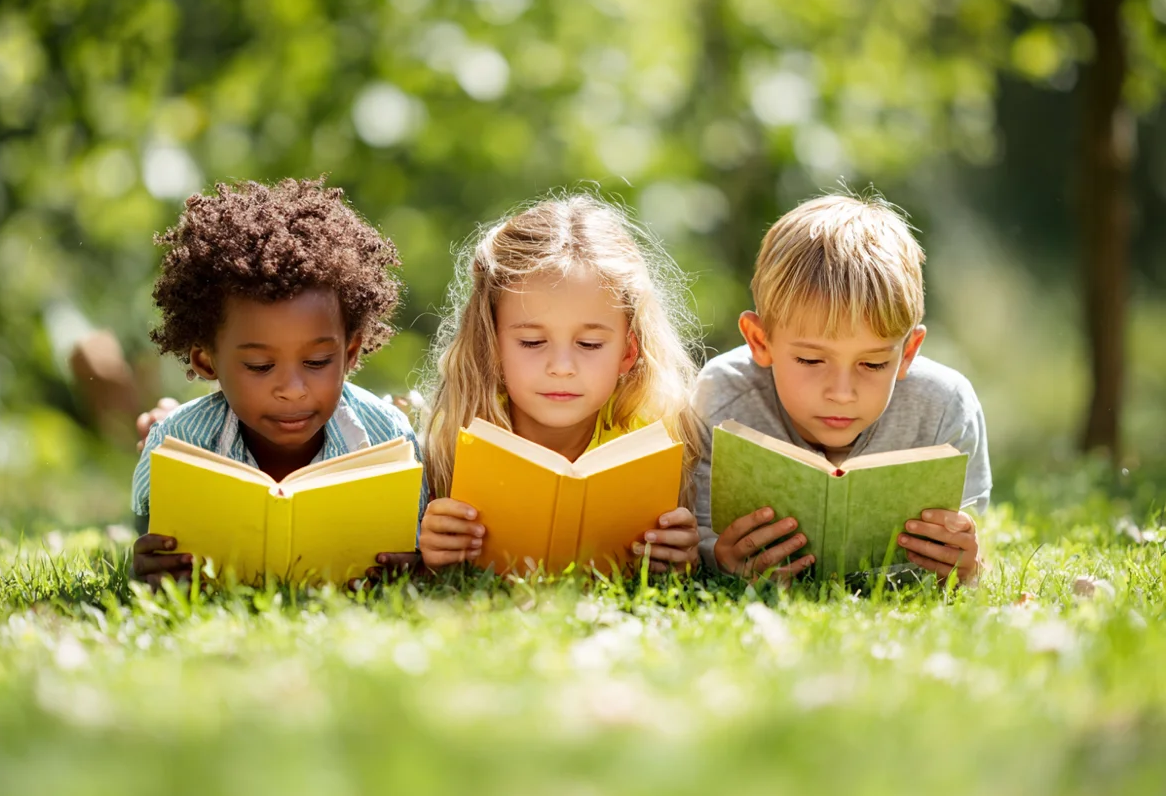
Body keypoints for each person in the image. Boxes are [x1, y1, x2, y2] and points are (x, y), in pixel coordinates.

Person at [130, 177, 426, 588]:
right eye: (259, 365)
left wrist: (414, 563)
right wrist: (149, 562)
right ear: (206, 360)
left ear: (351, 354)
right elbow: (149, 531)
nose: (292, 388)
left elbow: (418, 544)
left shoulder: (386, 440)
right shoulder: (179, 443)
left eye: (318, 361)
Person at [694, 192, 990, 584]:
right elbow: (695, 531)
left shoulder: (943, 406)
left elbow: (967, 539)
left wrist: (964, 562)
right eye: (811, 361)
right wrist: (716, 555)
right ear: (760, 341)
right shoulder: (721, 398)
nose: (842, 392)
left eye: (873, 363)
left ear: (907, 352)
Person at [417, 193, 703, 573]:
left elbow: (678, 562)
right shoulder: (457, 437)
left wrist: (679, 554)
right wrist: (434, 549)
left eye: (589, 344)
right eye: (532, 342)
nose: (562, 367)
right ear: (491, 345)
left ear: (627, 352)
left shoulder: (651, 441)